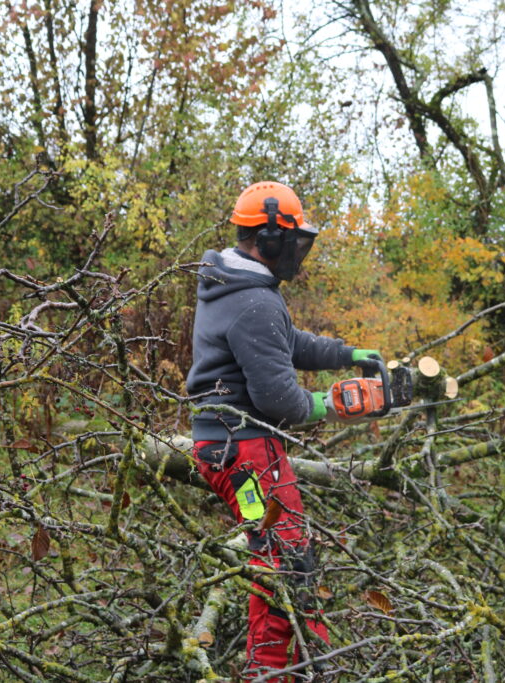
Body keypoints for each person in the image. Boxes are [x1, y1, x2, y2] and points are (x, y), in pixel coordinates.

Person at [186, 181, 382, 680]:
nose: (299, 251)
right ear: (271, 239)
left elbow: (288, 341)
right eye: (293, 241)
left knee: (276, 550)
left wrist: (346, 354)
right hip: (246, 455)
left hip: (225, 448)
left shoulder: (234, 284)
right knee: (284, 559)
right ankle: (275, 672)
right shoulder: (254, 301)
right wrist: (339, 405)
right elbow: (283, 403)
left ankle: (291, 664)